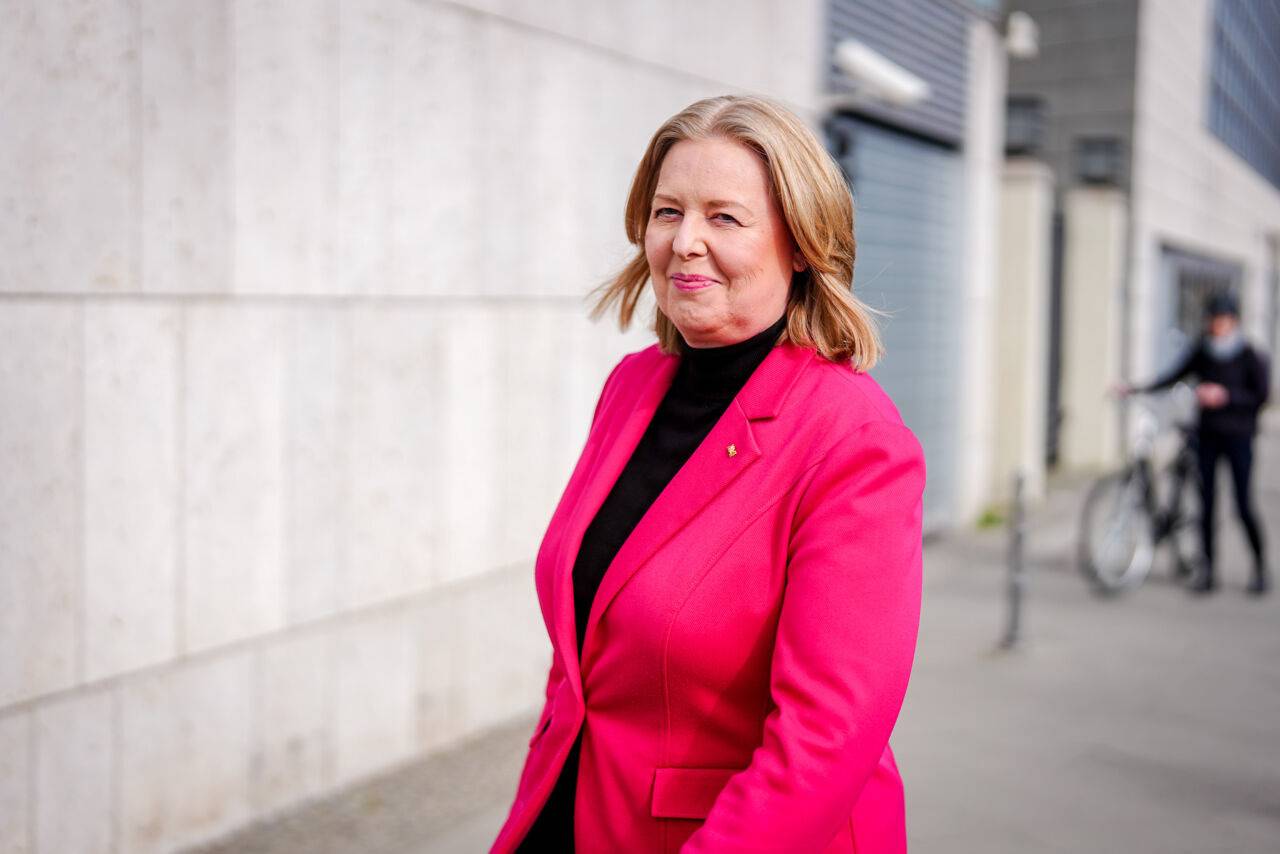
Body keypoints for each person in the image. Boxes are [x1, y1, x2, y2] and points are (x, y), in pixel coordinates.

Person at [489, 95, 926, 854]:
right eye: (668, 212)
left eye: (724, 218)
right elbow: (584, 660)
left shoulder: (854, 442)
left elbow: (824, 741)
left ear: (801, 242)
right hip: (578, 814)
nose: (685, 242)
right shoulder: (633, 387)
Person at [1114, 291, 1270, 595]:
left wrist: (1226, 396)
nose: (1216, 326)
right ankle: (1208, 570)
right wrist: (1134, 389)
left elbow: (1260, 395)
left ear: (1233, 321)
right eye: (1213, 319)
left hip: (1238, 437)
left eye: (1222, 320)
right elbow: (1173, 376)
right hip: (1207, 436)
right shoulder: (1204, 352)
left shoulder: (1249, 355)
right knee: (1206, 504)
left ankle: (1260, 567)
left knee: (1242, 505)